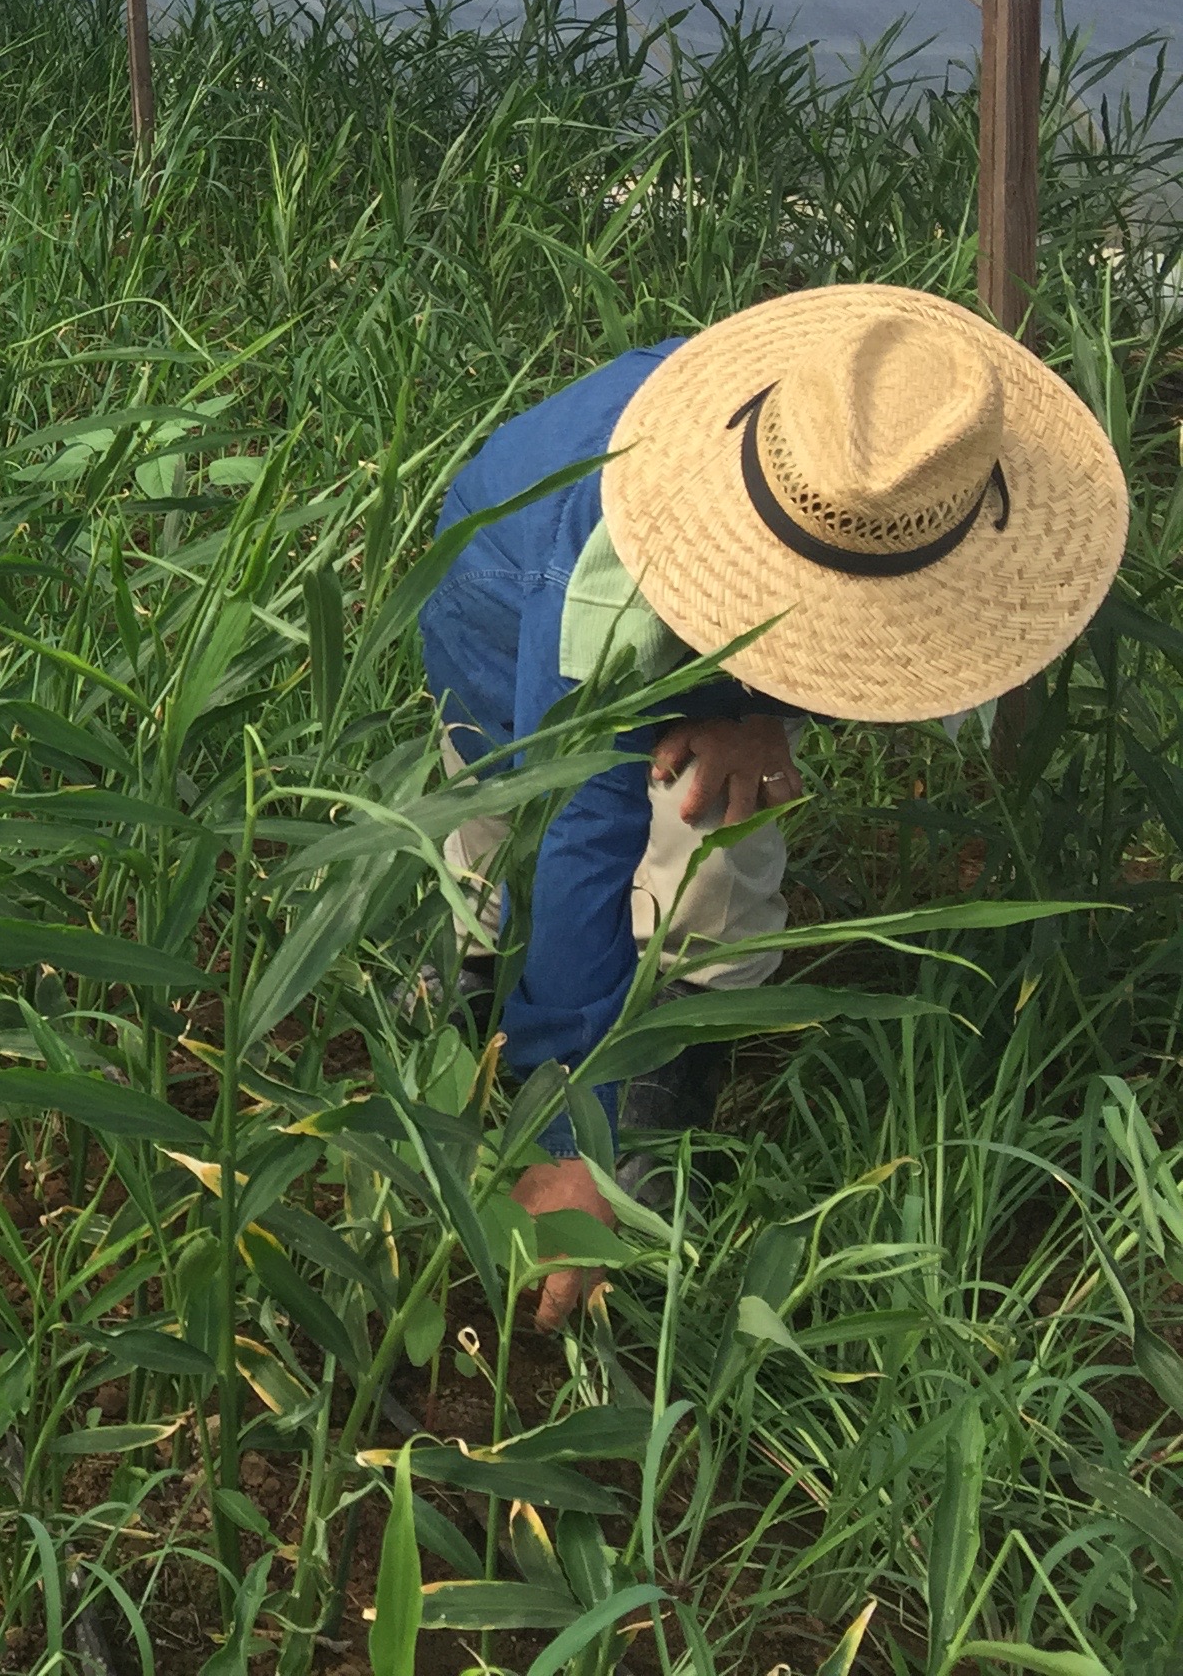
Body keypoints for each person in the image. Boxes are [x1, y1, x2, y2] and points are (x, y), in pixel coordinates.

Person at [421, 283, 1127, 1326]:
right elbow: (570, 825)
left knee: (716, 832)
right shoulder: (617, 571)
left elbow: (887, 640)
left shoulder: (876, 450)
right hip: (498, 602)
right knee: (503, 834)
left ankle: (672, 1049)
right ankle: (492, 1015)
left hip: (679, 604)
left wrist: (760, 713)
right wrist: (574, 1139)